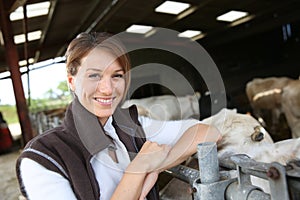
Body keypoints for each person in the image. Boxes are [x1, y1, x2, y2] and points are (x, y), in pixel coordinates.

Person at [16, 32, 222, 200]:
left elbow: (208, 131)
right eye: (94, 75)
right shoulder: (43, 158)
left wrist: (157, 167)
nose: (107, 89)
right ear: (71, 81)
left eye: (116, 76)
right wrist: (138, 169)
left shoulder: (132, 125)